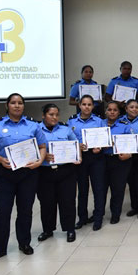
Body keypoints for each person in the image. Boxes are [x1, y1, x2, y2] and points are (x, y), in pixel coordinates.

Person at [0, 93, 46, 262]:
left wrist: (39, 162)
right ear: (7, 105)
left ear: (23, 106)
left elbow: (42, 146)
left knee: (25, 210)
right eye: (13, 103)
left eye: (20, 103)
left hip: (28, 173)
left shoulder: (33, 125)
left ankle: (24, 243)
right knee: (2, 212)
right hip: (5, 173)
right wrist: (0, 159)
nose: (17, 106)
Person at [37, 104, 80, 243]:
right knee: (47, 202)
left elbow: (75, 145)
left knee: (68, 201)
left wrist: (77, 156)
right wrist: (42, 156)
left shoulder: (65, 129)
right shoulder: (36, 129)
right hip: (44, 171)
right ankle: (48, 230)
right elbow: (30, 149)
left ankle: (70, 229)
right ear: (43, 115)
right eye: (51, 114)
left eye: (56, 115)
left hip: (66, 170)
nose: (54, 117)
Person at [68, 95, 108, 231]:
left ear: (93, 106)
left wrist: (100, 147)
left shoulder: (99, 121)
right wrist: (77, 145)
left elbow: (106, 139)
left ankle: (98, 218)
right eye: (84, 104)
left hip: (96, 158)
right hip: (80, 158)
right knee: (82, 189)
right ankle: (82, 218)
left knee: (98, 188)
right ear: (79, 105)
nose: (86, 107)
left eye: (89, 104)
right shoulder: (72, 121)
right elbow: (68, 140)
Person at [103, 101, 133, 223]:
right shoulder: (99, 125)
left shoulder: (125, 125)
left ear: (119, 112)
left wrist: (128, 154)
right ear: (106, 111)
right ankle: (98, 214)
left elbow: (132, 144)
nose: (112, 112)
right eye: (109, 110)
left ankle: (115, 214)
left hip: (120, 160)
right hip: (102, 160)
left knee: (118, 189)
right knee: (101, 189)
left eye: (115, 110)